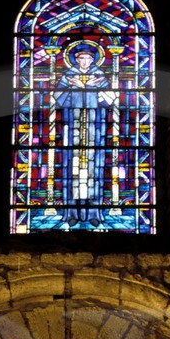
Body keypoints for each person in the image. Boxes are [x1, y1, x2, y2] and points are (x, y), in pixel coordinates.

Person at [49, 41, 116, 225]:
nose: (85, 61)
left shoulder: (100, 76)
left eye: (88, 58)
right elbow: (58, 98)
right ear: (75, 59)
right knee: (72, 168)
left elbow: (110, 99)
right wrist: (76, 87)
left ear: (93, 60)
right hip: (73, 126)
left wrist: (90, 88)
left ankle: (94, 213)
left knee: (94, 170)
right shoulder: (68, 76)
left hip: (95, 125)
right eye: (81, 58)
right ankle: (71, 213)